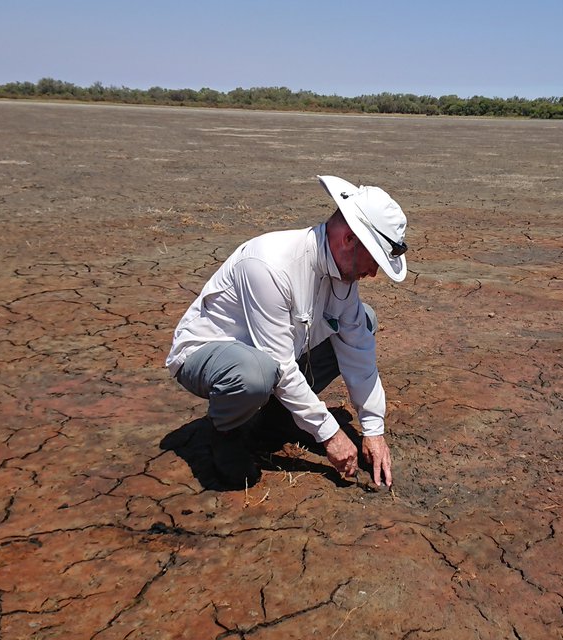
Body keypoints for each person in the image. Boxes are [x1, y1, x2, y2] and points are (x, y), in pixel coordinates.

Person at [165, 175, 409, 489]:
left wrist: (374, 429)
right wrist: (330, 434)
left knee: (365, 321)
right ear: (349, 239)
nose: (374, 272)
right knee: (256, 373)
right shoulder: (270, 264)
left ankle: (275, 419)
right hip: (207, 355)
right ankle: (225, 432)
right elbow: (278, 363)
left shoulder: (343, 276)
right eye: (374, 259)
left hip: (272, 358)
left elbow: (357, 349)